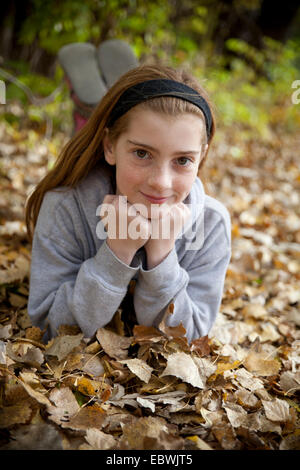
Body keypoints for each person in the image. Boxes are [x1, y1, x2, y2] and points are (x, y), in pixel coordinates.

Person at [25, 63, 232, 343]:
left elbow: (193, 339)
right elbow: (48, 330)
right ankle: (86, 106)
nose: (161, 182)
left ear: (202, 155)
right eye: (142, 153)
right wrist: (116, 253)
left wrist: (161, 258)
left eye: (183, 160)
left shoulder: (212, 224)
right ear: (110, 146)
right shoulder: (66, 208)